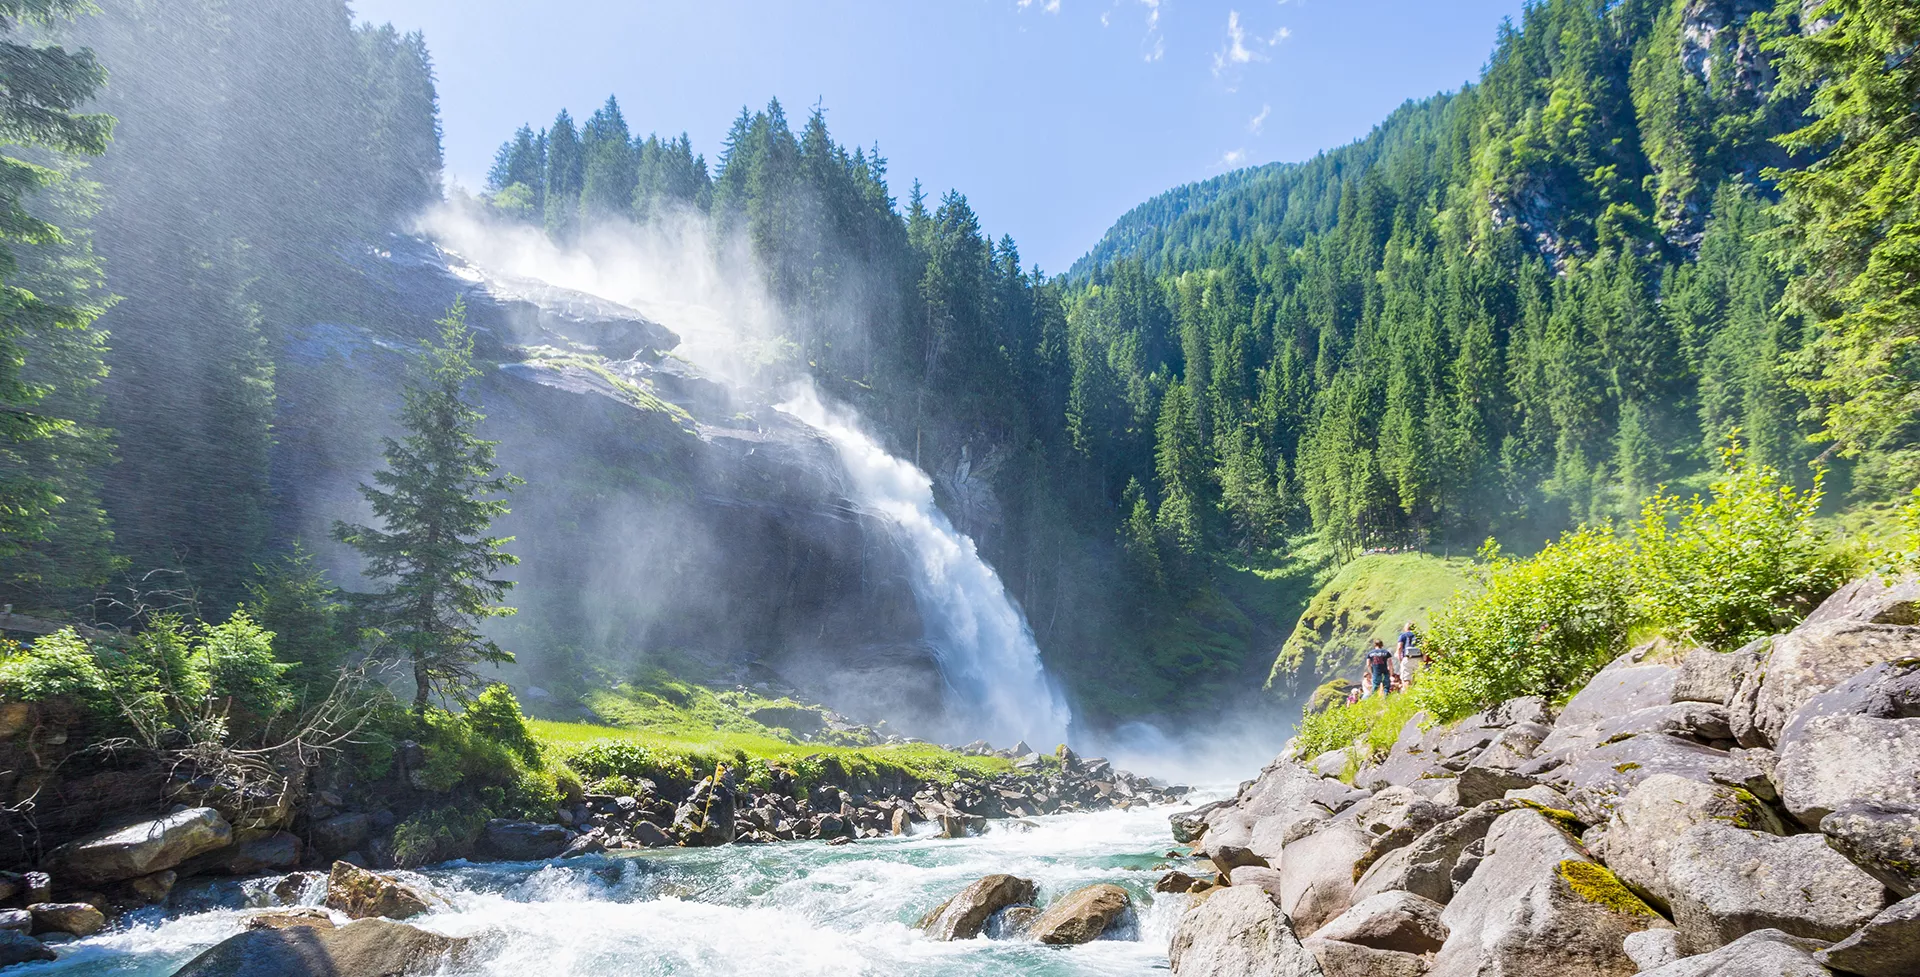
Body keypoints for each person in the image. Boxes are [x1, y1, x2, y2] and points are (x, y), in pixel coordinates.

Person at [1397, 621, 1423, 686]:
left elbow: (1399, 647)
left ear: (1406, 628)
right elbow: (1424, 646)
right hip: (1419, 658)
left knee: (1406, 679)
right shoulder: (1420, 635)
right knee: (1420, 678)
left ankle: (1407, 694)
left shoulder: (1403, 635)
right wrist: (1424, 657)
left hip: (1408, 658)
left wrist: (1400, 659)